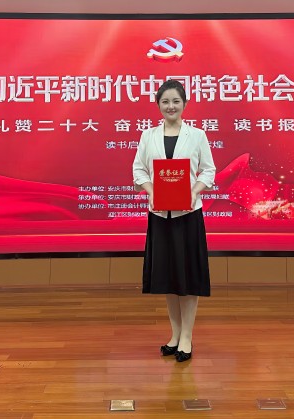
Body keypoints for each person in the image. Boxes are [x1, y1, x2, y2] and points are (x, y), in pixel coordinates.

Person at [132, 80, 216, 362]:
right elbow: (138, 170)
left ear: (184, 104)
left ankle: (188, 337)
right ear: (158, 105)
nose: (171, 106)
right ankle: (175, 335)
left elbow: (209, 171)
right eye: (165, 101)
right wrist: (152, 191)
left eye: (176, 101)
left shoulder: (198, 135)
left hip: (188, 216)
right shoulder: (148, 136)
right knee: (168, 277)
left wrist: (193, 192)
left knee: (188, 278)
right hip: (160, 216)